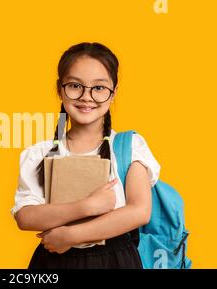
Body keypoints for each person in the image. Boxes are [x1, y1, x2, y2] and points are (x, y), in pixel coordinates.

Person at [11, 42, 161, 269]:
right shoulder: (39, 153)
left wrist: (71, 236)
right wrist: (87, 206)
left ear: (114, 93)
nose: (86, 97)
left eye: (99, 88)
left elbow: (139, 212)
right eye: (74, 85)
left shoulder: (129, 146)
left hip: (116, 261)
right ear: (59, 89)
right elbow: (25, 216)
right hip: (54, 263)